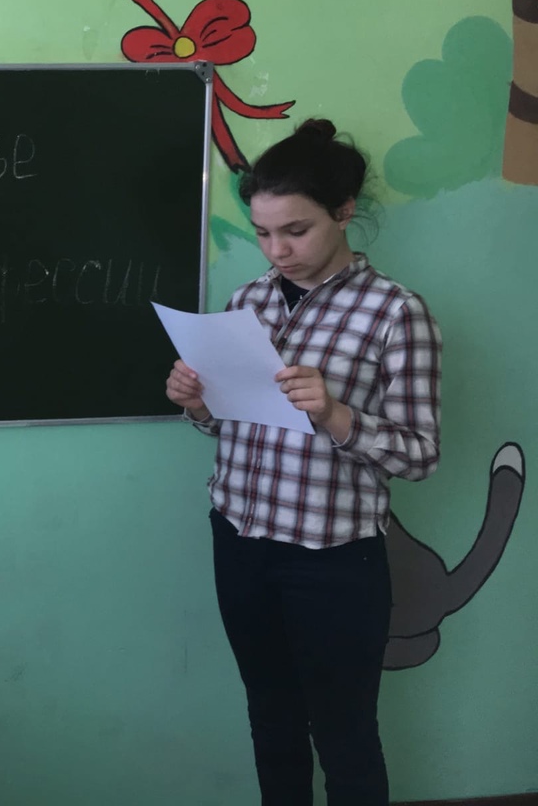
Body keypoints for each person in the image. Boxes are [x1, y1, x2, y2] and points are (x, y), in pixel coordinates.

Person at [165, 118, 442, 805]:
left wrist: (337, 415)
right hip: (240, 539)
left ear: (343, 213)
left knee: (345, 735)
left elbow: (421, 455)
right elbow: (231, 425)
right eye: (262, 233)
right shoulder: (249, 300)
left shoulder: (395, 313)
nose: (277, 250)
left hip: (333, 557)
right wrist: (198, 404)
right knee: (271, 718)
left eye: (296, 230)